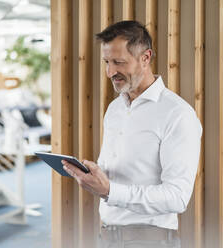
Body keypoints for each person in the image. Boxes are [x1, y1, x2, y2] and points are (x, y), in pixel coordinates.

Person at [62, 20, 202, 248]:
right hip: (106, 237)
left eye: (119, 62)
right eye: (107, 62)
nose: (110, 72)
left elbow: (177, 197)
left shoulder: (178, 114)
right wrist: (92, 174)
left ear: (145, 58)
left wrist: (109, 190)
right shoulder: (115, 108)